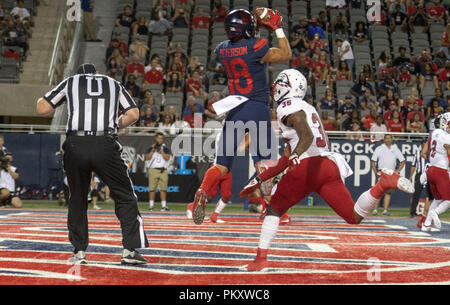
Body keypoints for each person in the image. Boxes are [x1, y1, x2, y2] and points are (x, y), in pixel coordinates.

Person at [239, 69, 414, 271]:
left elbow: (306, 136)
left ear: (287, 87)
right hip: (328, 166)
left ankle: (260, 260)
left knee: (274, 210)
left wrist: (297, 155)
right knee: (353, 216)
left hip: (306, 166)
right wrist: (260, 179)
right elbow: (285, 158)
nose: (275, 88)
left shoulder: (288, 106)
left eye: (278, 83)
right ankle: (383, 184)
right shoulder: (308, 107)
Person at [36, 63, 148, 265]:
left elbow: (42, 107)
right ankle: (129, 251)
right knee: (125, 195)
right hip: (104, 142)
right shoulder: (113, 83)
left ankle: (79, 252)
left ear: (80, 76)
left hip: (75, 144)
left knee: (77, 197)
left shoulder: (71, 82)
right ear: (97, 74)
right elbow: (133, 114)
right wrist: (115, 124)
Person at [191, 8, 292, 225]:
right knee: (264, 162)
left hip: (235, 109)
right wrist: (277, 28)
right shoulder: (256, 46)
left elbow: (240, 45)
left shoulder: (222, 49)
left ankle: (202, 191)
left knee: (221, 164)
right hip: (257, 107)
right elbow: (285, 54)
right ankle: (275, 211)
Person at [422, 112, 450, 231]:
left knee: (437, 199)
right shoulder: (447, 137)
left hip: (430, 170)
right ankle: (435, 213)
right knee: (448, 200)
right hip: (440, 171)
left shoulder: (435, 132)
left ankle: (426, 224)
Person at [371, 134, 407, 216]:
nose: (388, 140)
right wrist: (376, 171)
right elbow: (373, 161)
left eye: (389, 138)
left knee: (388, 193)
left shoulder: (396, 149)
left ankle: (385, 210)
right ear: (384, 140)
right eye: (386, 138)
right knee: (378, 192)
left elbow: (403, 161)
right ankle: (375, 210)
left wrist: (397, 171)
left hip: (391, 173)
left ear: (392, 139)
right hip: (381, 172)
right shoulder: (379, 148)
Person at [145, 132, 172, 211]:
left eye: (161, 138)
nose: (160, 140)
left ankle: (164, 206)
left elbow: (167, 158)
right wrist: (153, 150)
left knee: (163, 189)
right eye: (159, 138)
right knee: (152, 189)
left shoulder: (165, 148)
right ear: (156, 139)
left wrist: (161, 151)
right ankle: (151, 206)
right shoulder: (151, 147)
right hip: (153, 169)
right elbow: (147, 158)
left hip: (163, 170)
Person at [409, 139, 427, 218]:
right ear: (421, 145)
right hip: (419, 175)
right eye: (423, 145)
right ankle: (413, 212)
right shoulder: (417, 153)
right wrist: (410, 176)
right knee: (416, 194)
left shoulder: (430, 154)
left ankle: (430, 212)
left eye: (425, 145)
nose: (424, 146)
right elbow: (413, 165)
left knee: (430, 195)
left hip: (428, 176)